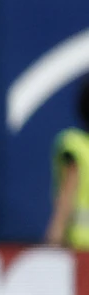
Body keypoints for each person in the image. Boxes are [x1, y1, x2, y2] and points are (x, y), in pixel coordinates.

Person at [45, 79, 89, 247]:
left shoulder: (73, 143)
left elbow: (67, 194)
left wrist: (55, 235)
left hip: (81, 246)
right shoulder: (75, 146)